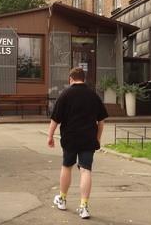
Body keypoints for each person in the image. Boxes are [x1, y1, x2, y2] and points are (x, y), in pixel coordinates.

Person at [47, 67, 108, 219]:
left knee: (67, 166)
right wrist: (98, 138)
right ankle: (84, 207)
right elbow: (101, 122)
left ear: (71, 79)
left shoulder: (65, 94)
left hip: (70, 138)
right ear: (84, 78)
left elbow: (55, 119)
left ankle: (62, 199)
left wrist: (50, 136)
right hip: (88, 138)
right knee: (86, 170)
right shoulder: (93, 96)